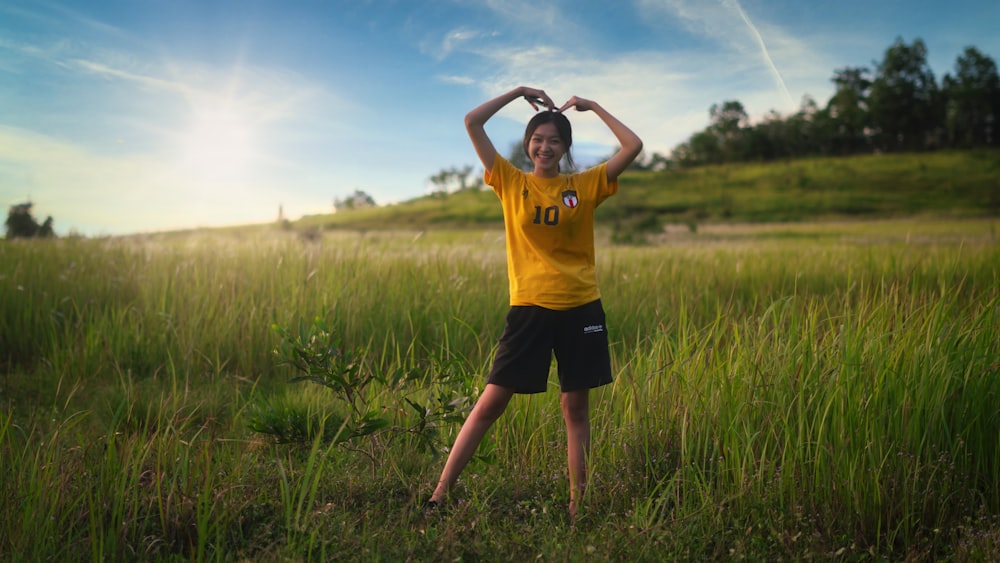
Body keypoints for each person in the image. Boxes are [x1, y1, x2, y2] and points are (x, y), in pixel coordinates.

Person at [427, 86, 643, 518]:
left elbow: (633, 145)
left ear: (565, 148)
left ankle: (577, 505)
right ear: (528, 144)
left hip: (581, 306)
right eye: (538, 139)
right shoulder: (510, 182)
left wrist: (592, 106)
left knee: (575, 407)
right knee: (491, 402)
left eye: (555, 141)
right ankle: (439, 494)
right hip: (530, 308)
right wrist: (518, 92)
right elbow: (473, 121)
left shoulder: (584, 185)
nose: (545, 147)